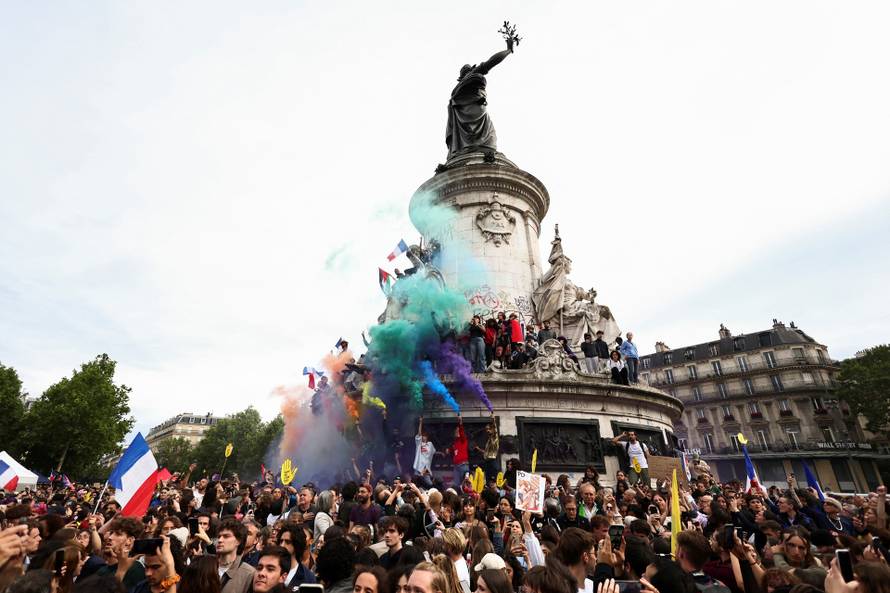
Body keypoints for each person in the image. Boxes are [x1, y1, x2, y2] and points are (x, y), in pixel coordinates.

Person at [217, 518, 256, 593]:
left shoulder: (249, 573)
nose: (220, 540)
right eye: (219, 536)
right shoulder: (207, 566)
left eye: (226, 536)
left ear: (238, 541)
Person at [276, 524, 315, 591]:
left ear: (297, 544)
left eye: (288, 542)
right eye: (281, 541)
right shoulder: (269, 569)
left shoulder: (308, 577)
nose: (282, 545)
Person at [451, 416, 470, 488]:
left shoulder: (463, 440)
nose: (456, 432)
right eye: (456, 431)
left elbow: (462, 432)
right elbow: (454, 451)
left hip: (463, 465)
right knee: (457, 485)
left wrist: (460, 423)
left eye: (457, 431)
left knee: (464, 485)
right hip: (456, 466)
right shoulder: (455, 443)